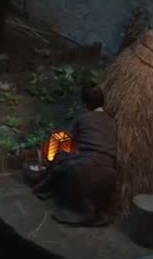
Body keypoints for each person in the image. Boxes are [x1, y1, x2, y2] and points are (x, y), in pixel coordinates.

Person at [32, 84, 120, 226]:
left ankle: (43, 189)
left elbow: (68, 140)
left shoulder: (83, 119)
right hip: (110, 174)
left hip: (87, 169)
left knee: (59, 157)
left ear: (85, 104)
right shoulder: (112, 122)